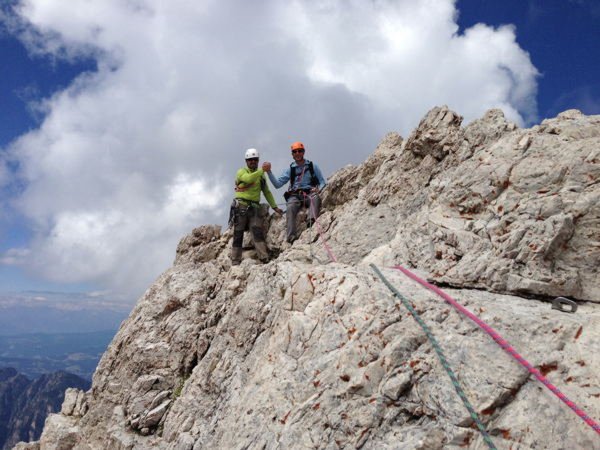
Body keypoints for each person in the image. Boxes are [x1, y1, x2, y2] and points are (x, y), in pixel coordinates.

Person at [262, 141, 326, 243]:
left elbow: (322, 182)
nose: (297, 153)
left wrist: (319, 189)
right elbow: (277, 184)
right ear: (292, 154)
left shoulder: (312, 166)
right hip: (295, 195)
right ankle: (291, 236)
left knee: (315, 198)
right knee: (291, 206)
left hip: (309, 192)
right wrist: (269, 172)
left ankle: (311, 220)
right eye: (295, 152)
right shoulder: (290, 170)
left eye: (299, 151)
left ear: (303, 152)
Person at [231, 148, 283, 265]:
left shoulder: (261, 176)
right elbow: (248, 179)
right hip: (241, 207)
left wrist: (274, 207)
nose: (253, 162)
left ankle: (263, 257)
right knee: (238, 233)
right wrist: (262, 171)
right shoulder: (241, 172)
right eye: (250, 160)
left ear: (258, 160)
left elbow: (267, 192)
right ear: (246, 161)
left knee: (257, 232)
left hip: (254, 207)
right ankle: (235, 260)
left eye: (255, 160)